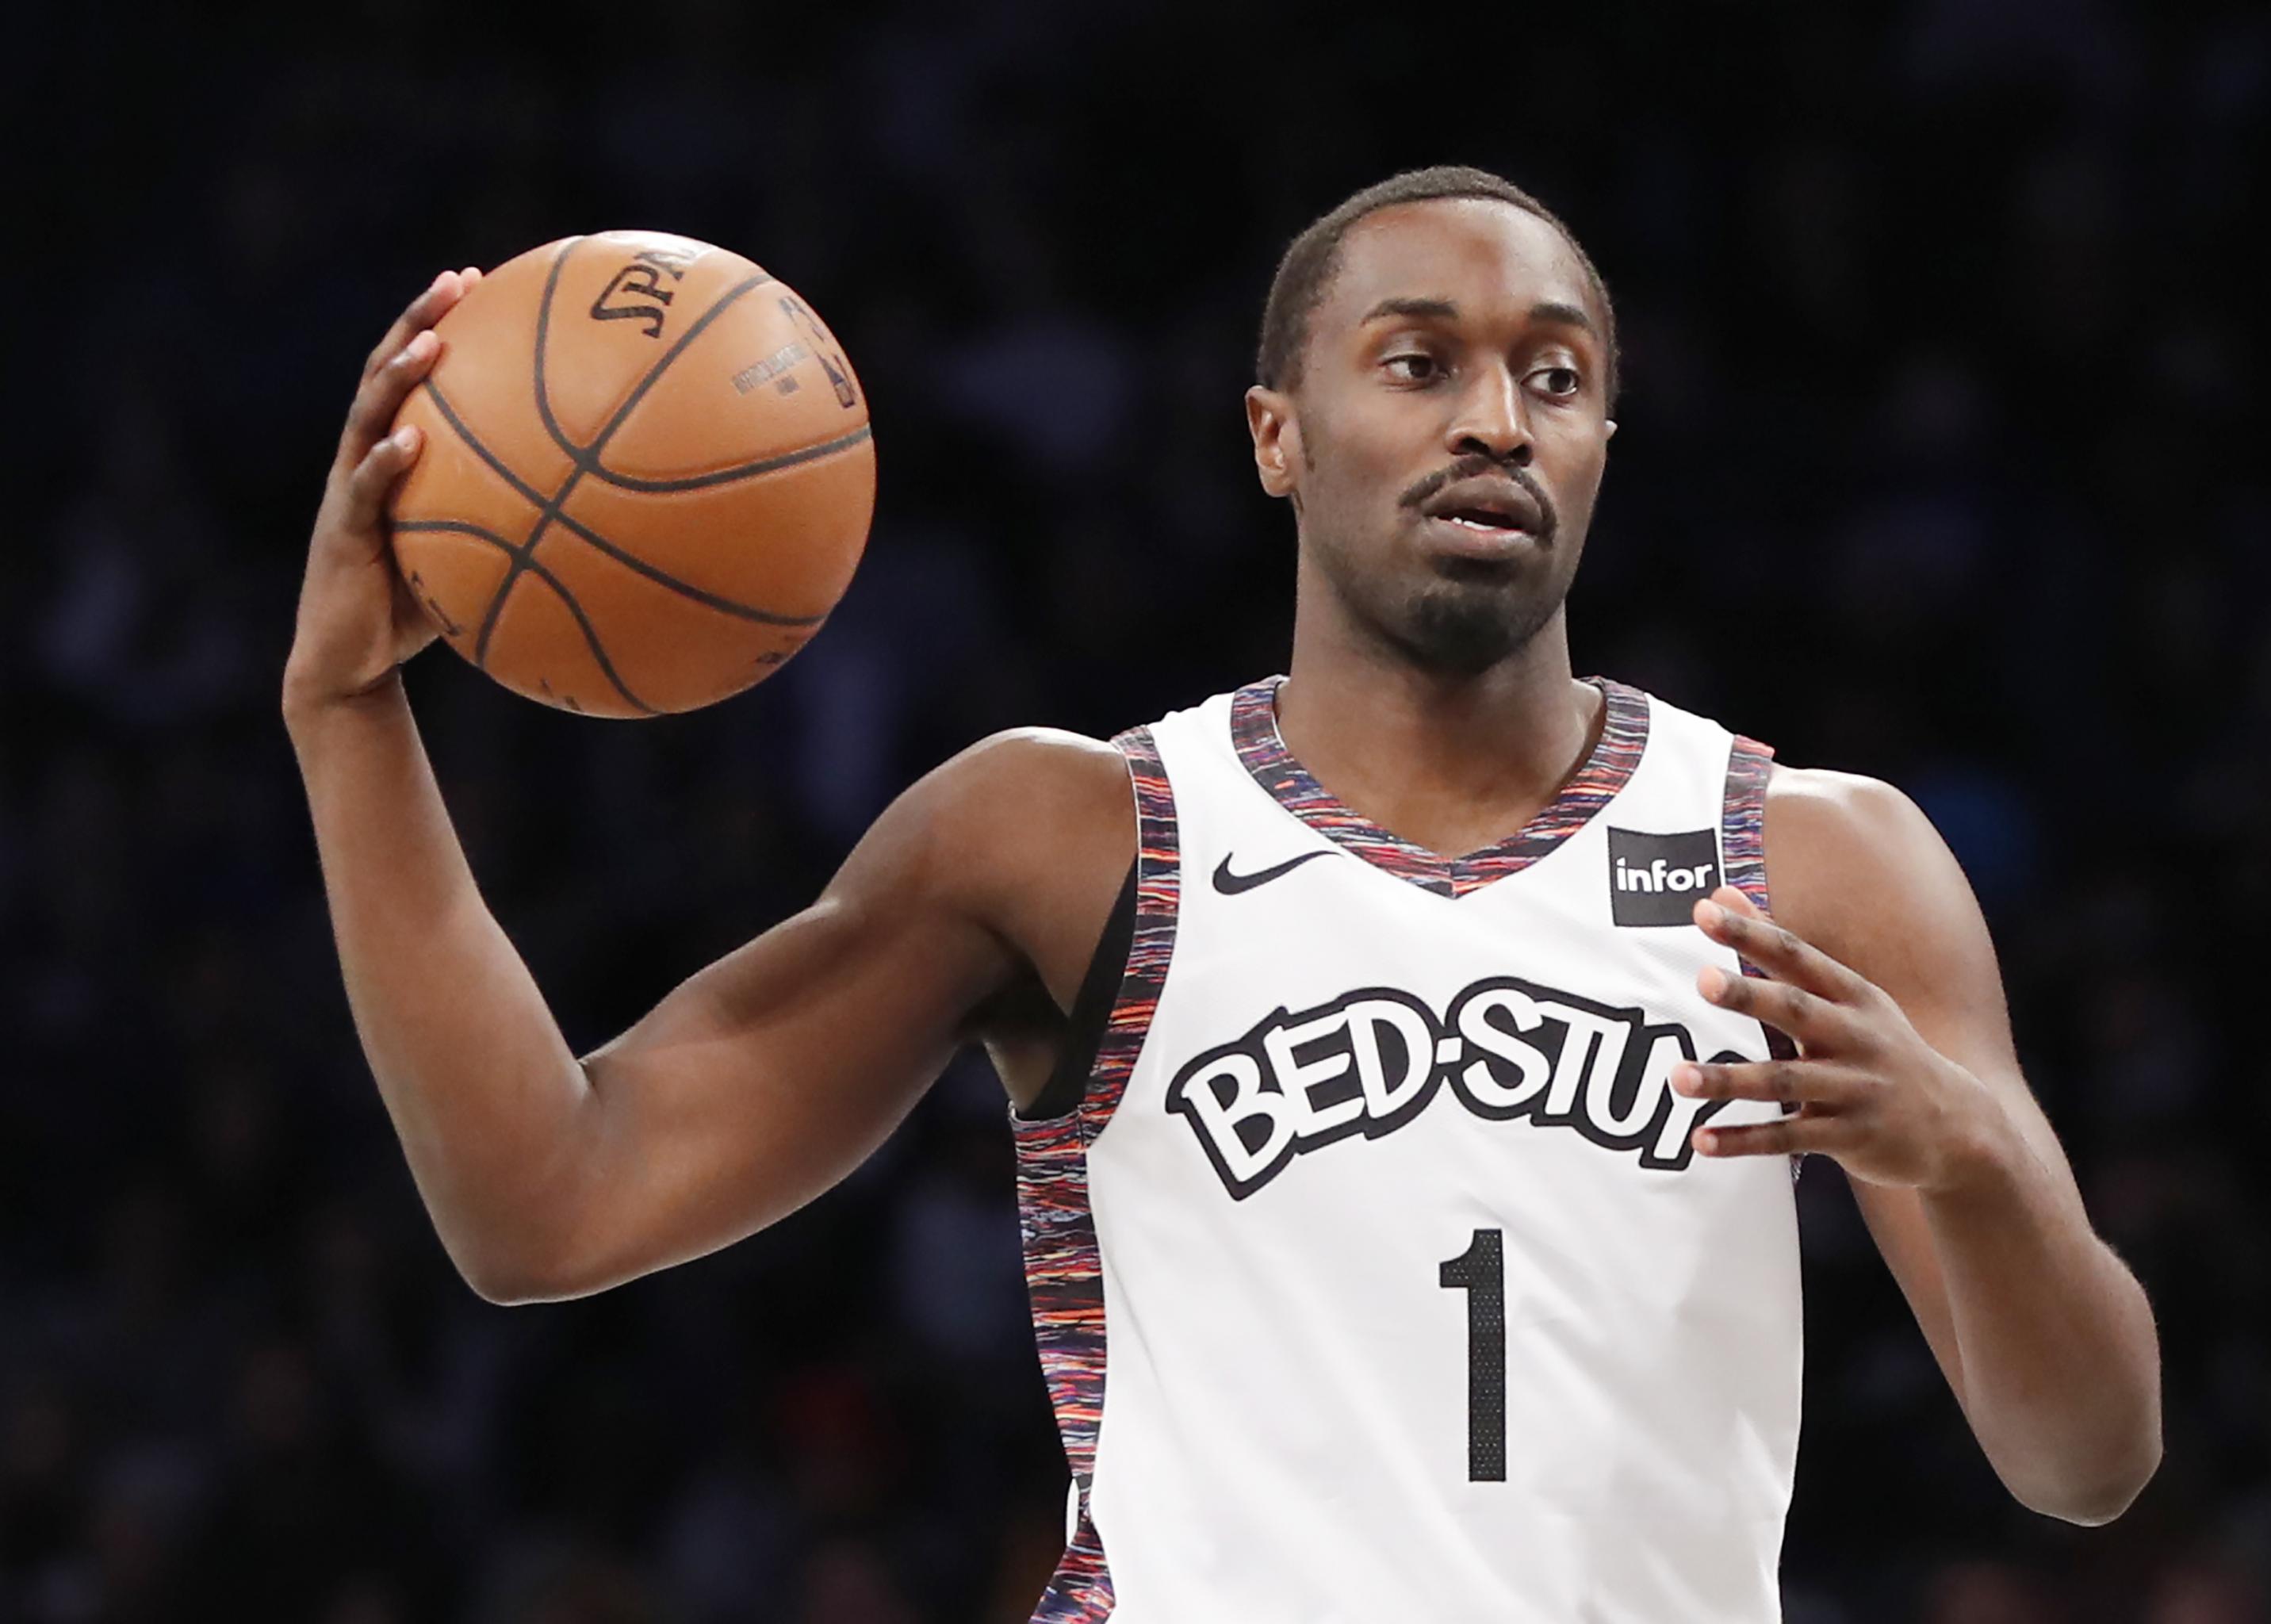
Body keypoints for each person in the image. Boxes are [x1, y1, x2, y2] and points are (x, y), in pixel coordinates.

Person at [282, 167, 2162, 1621]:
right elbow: (551, 1198)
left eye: (1556, 376)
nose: (1495, 417)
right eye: (1419, 361)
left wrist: (1975, 1162)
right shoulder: (1067, 835)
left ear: (1604, 442)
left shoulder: (1813, 859)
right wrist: (349, 714)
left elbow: (2087, 1459)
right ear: (1277, 434)